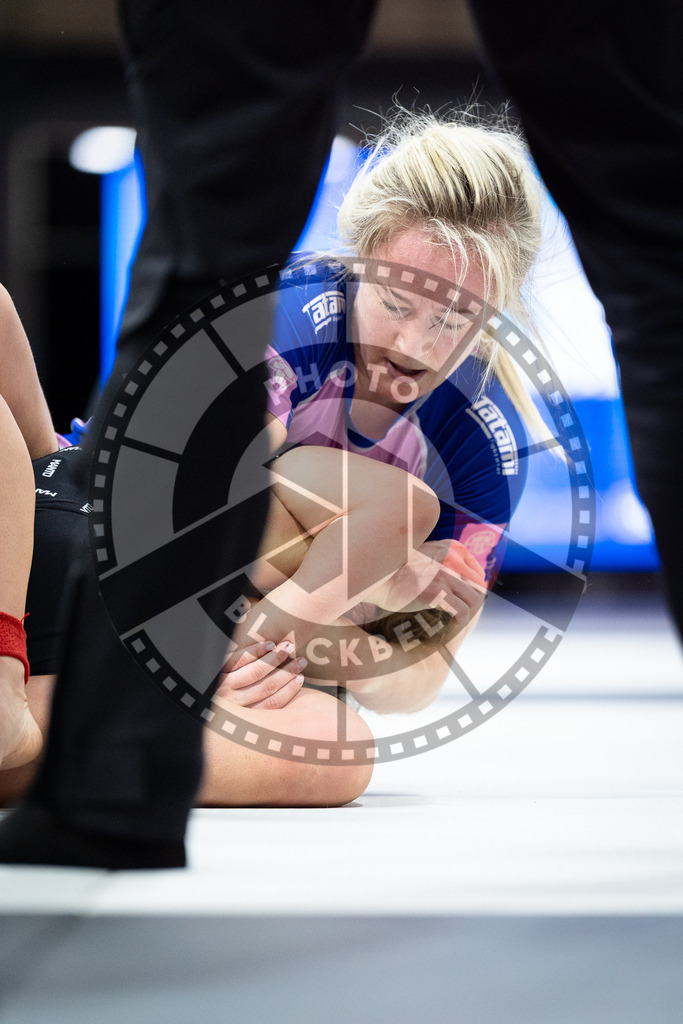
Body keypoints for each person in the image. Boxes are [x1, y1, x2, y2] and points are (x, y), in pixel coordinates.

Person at [1, 113, 548, 811]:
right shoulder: (294, 308)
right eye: (395, 303)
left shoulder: (486, 439)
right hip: (99, 535)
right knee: (343, 505)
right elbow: (191, 509)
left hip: (201, 625)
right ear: (360, 262)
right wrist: (364, 584)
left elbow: (412, 682)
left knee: (338, 752)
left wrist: (317, 620)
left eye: (452, 320)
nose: (413, 346)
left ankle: (30, 735)